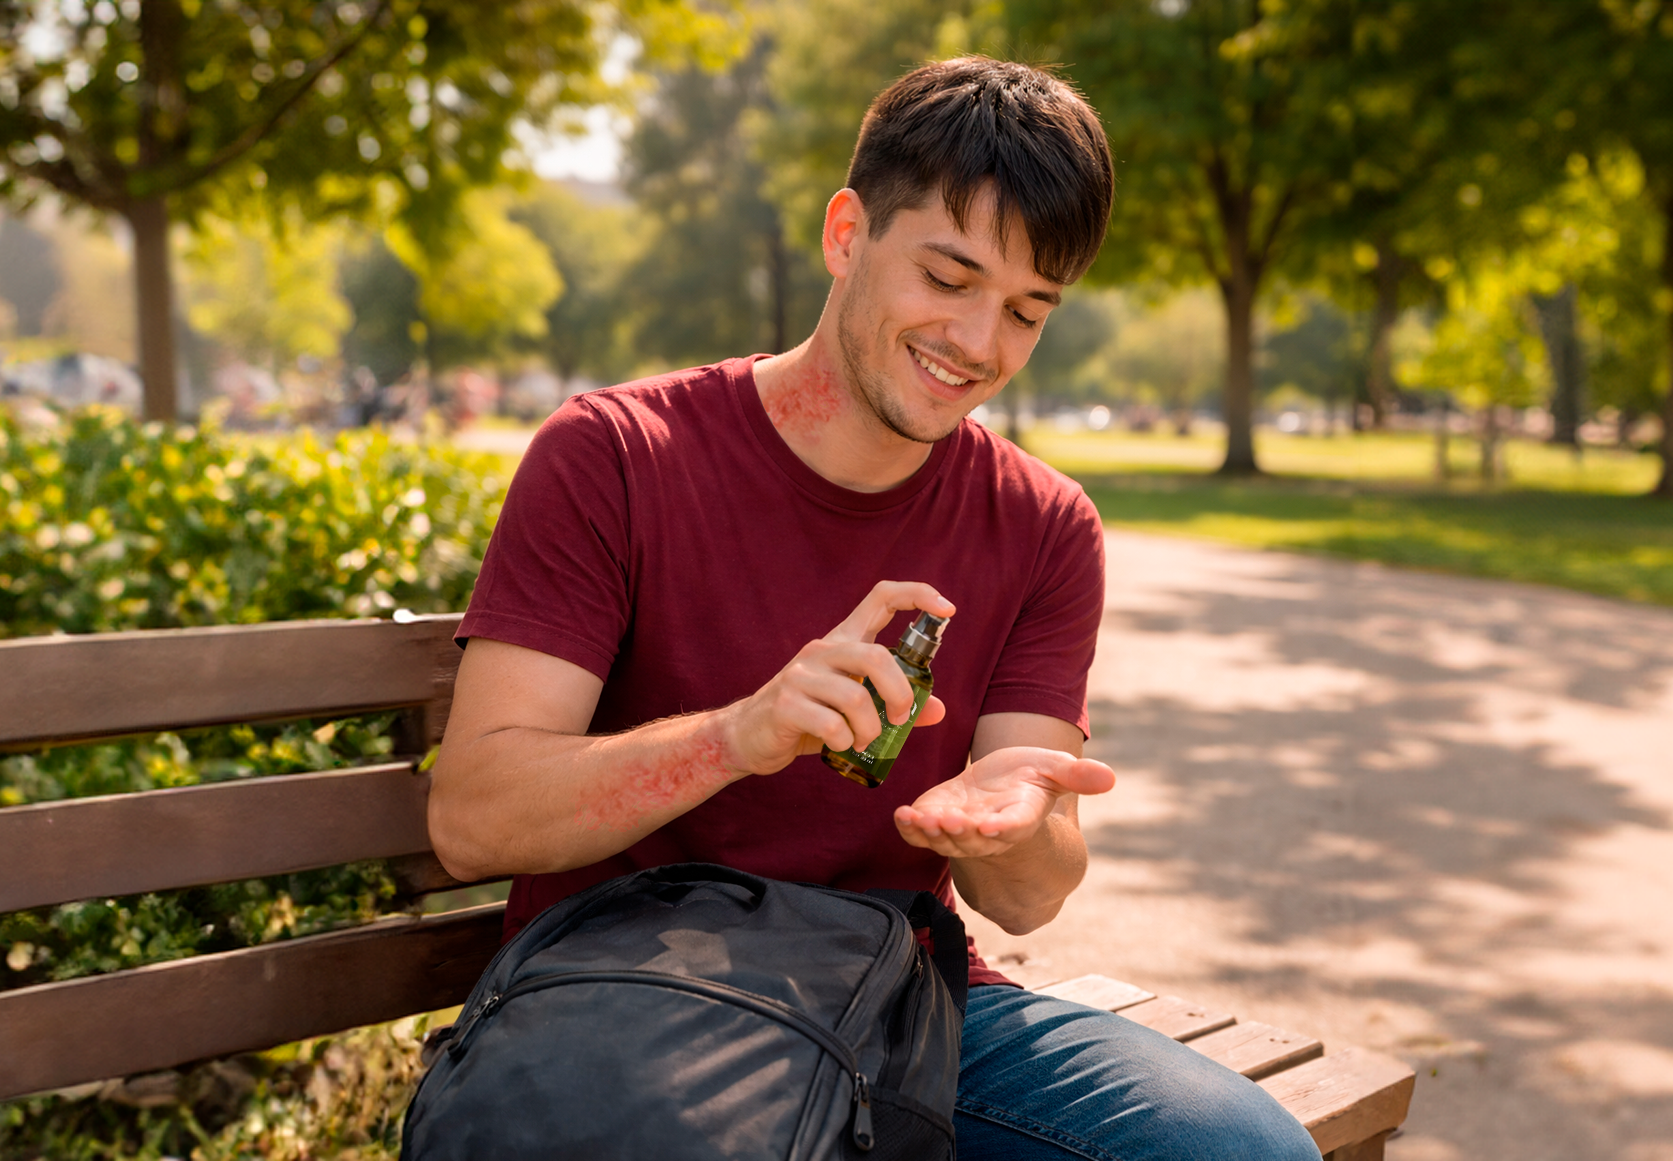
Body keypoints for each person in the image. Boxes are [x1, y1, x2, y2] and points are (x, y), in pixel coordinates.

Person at [427, 56, 1322, 1160]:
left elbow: (1030, 898)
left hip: (896, 1012)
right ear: (847, 234)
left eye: (1026, 311)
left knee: (1246, 1150)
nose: (979, 344)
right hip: (628, 1001)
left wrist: (1012, 828)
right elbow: (473, 818)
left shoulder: (1044, 525)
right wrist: (738, 735)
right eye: (947, 278)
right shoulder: (614, 454)